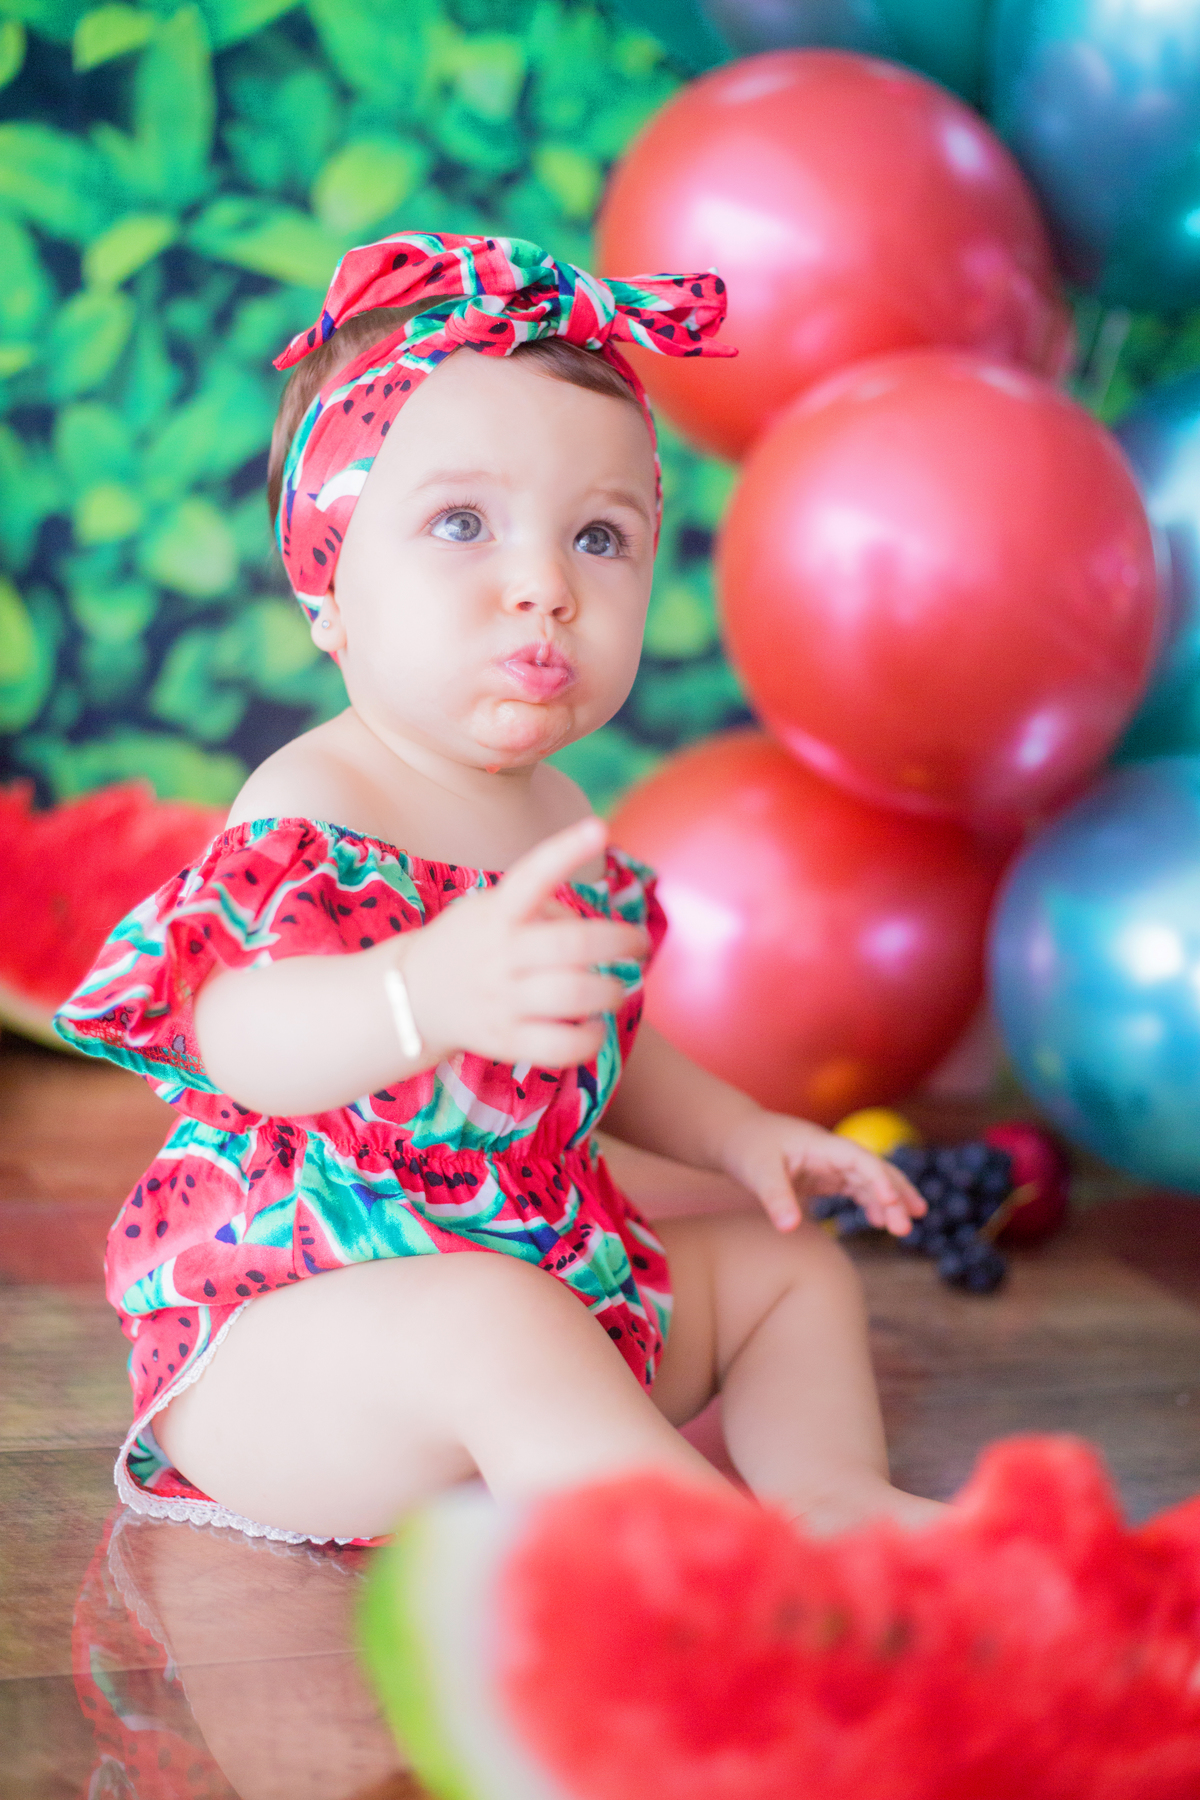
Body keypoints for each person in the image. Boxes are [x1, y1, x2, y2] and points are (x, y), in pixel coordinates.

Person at [58, 231, 937, 1547]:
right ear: (327, 580)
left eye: (600, 535)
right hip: (297, 1347)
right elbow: (241, 1040)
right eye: (461, 523)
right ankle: (715, 1574)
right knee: (489, 1318)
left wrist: (741, 1134)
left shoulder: (561, 816)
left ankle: (832, 1498)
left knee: (788, 1275)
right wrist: (420, 991)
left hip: (539, 1284)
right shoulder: (317, 807)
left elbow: (599, 1044)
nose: (546, 586)